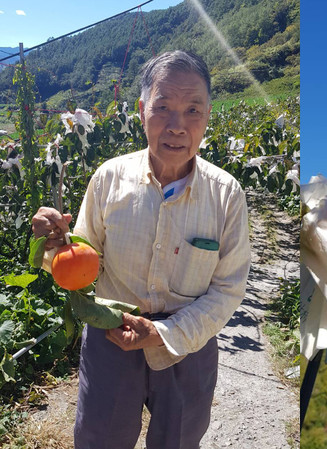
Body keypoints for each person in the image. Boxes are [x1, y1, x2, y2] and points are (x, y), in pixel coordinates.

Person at [31, 50, 251, 449]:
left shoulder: (226, 195)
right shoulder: (109, 180)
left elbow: (228, 288)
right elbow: (81, 263)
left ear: (208, 115)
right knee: (100, 440)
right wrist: (53, 247)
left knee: (180, 441)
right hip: (110, 337)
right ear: (141, 109)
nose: (177, 126)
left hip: (187, 345)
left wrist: (164, 332)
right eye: (163, 107)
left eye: (192, 110)